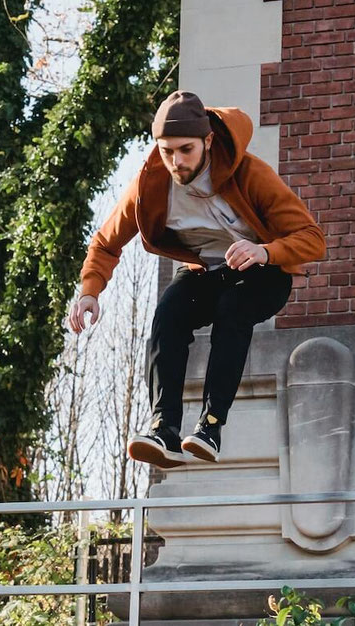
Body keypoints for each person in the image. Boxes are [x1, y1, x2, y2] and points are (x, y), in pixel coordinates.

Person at [67, 91, 326, 468]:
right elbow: (106, 242)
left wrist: (264, 251)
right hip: (206, 272)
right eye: (166, 151)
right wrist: (90, 291)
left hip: (263, 274)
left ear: (207, 141)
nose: (176, 162)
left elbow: (312, 239)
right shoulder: (151, 186)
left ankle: (211, 426)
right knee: (169, 313)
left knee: (232, 309)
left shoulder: (249, 174)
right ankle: (164, 428)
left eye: (185, 150)